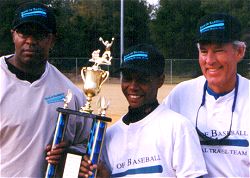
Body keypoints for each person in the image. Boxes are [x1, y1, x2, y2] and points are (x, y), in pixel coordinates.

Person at [79, 44, 207, 177]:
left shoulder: (178, 127)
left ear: (160, 81)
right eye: (127, 78)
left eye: (142, 79)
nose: (133, 86)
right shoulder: (110, 135)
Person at [0, 2, 91, 177]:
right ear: (13, 35)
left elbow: (85, 154)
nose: (31, 41)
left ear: (52, 39)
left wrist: (69, 157)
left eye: (40, 35)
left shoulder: (71, 94)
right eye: (24, 33)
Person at [163, 13, 250, 177]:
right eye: (203, 51)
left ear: (239, 51)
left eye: (218, 50)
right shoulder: (181, 94)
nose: (209, 60)